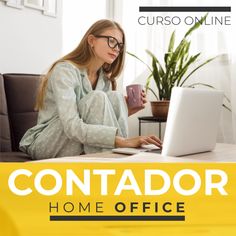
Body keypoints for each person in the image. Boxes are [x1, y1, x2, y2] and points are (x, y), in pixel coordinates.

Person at [19, 19, 162, 160]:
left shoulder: (104, 80)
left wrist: (127, 110)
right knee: (98, 97)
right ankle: (117, 159)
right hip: (47, 143)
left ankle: (119, 157)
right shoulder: (64, 70)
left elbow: (97, 118)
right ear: (91, 40)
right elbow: (71, 127)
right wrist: (121, 141)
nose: (116, 48)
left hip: (77, 144)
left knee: (116, 97)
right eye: (112, 41)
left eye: (119, 45)